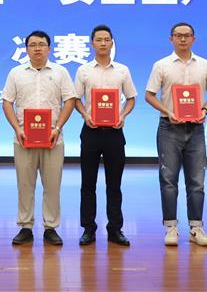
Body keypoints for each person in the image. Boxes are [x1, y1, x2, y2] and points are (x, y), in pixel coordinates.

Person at [144, 22, 207, 248]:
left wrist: (204, 110)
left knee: (197, 181)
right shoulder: (161, 65)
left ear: (194, 38)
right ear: (171, 39)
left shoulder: (204, 65)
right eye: (178, 35)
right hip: (169, 127)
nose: (183, 39)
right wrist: (168, 111)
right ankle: (171, 227)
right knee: (168, 180)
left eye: (187, 35)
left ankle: (196, 227)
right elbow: (149, 95)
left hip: (196, 128)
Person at [2, 30, 76, 246]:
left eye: (41, 44)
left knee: (52, 185)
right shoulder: (16, 73)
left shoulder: (61, 72)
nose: (37, 48)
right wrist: (17, 128)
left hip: (53, 139)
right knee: (25, 185)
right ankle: (25, 227)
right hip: (23, 139)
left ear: (49, 48)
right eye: (32, 45)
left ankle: (50, 227)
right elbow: (7, 102)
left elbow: (70, 100)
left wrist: (58, 128)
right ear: (26, 49)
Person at [74, 25, 137, 247]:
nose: (103, 43)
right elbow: (76, 99)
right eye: (98, 39)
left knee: (114, 184)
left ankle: (115, 229)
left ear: (112, 42)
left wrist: (122, 115)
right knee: (87, 183)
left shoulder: (122, 70)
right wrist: (85, 115)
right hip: (91, 132)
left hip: (114, 133)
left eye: (106, 39)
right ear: (92, 43)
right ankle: (88, 229)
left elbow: (131, 98)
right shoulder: (83, 70)